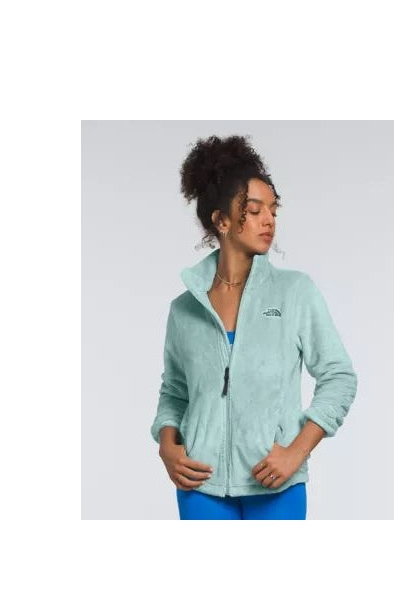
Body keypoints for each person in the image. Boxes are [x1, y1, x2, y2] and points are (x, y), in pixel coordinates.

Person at [151, 134, 358, 519]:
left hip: (276, 483)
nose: (269, 220)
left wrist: (296, 452)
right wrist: (167, 445)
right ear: (222, 220)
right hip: (200, 484)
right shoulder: (185, 309)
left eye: (274, 210)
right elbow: (175, 391)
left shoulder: (294, 292)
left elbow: (339, 376)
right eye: (255, 210)